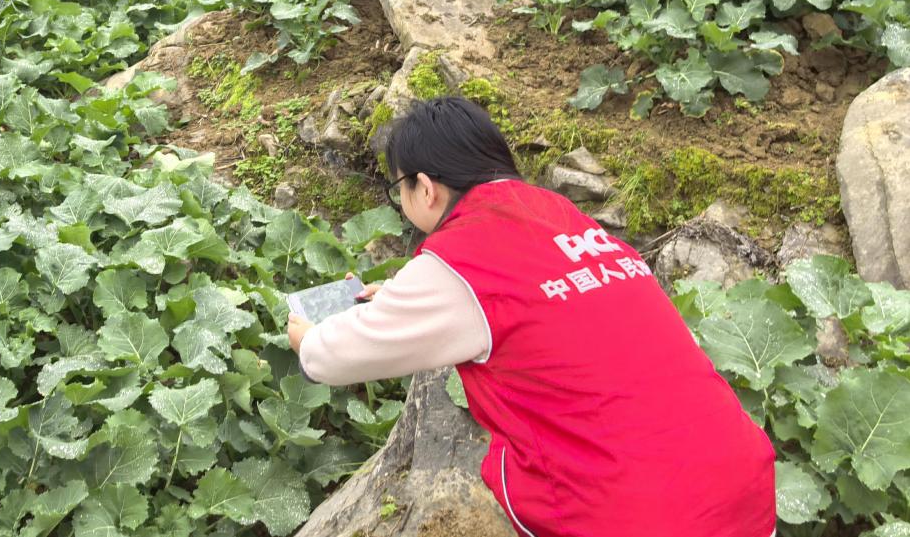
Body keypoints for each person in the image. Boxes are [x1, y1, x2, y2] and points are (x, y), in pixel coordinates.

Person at [287, 96, 776, 537]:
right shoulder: (563, 217)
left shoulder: (458, 257)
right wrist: (402, 297)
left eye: (401, 189)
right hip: (744, 494)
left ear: (426, 188)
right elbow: (527, 292)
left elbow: (329, 359)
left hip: (631, 516)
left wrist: (307, 337)